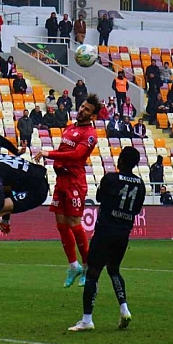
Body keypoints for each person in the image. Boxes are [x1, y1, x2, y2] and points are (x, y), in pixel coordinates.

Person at [67, 146, 145, 332]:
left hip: (105, 230)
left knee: (93, 273)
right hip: (123, 233)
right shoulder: (140, 184)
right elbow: (136, 210)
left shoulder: (110, 178)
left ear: (121, 161)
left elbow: (100, 197)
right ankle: (124, 309)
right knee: (114, 270)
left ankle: (87, 320)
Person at [35, 95, 101, 287]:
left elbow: (76, 155)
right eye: (82, 106)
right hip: (61, 180)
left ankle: (89, 266)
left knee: (74, 223)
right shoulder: (70, 127)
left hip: (74, 182)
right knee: (61, 224)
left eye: (87, 110)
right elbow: (65, 150)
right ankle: (73, 266)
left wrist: (48, 154)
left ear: (93, 115)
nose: (82, 110)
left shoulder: (90, 134)